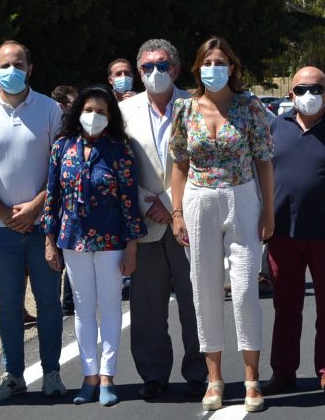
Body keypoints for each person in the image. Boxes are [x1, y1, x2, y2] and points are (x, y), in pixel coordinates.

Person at [169, 37, 275, 413]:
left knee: (246, 290)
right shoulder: (184, 109)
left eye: (221, 61)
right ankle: (214, 378)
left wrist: (268, 210)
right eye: (207, 61)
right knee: (205, 289)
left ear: (233, 66)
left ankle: (251, 378)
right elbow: (179, 165)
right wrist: (177, 212)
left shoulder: (250, 106)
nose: (214, 67)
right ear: (198, 68)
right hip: (198, 201)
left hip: (242, 197)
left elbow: (264, 161)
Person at [0, 41, 66, 400]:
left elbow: (59, 166)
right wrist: (5, 214)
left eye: (18, 63)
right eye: (5, 64)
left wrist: (38, 205)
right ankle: (13, 375)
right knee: (8, 306)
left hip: (44, 226)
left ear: (30, 68)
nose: (12, 70)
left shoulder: (51, 109)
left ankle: (52, 372)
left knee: (49, 302)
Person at [42, 85, 145, 407]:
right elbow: (52, 196)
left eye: (101, 112)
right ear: (77, 112)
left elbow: (129, 200)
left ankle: (107, 377)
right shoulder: (62, 147)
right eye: (88, 110)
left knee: (111, 308)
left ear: (110, 116)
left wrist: (131, 246)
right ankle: (88, 377)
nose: (94, 116)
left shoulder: (120, 150)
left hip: (112, 240)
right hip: (72, 239)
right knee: (83, 310)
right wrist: (49, 240)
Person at [119, 39, 206, 400]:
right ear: (138, 72)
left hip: (189, 218)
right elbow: (120, 166)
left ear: (176, 67)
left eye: (162, 64)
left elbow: (205, 161)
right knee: (147, 307)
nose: (154, 72)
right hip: (145, 222)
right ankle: (153, 374)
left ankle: (200, 373)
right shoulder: (123, 112)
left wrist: (172, 205)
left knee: (196, 302)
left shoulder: (197, 105)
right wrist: (147, 203)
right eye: (146, 67)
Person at [261, 66, 325, 396]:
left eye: (315, 89)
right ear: (290, 94)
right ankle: (283, 371)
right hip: (282, 232)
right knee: (285, 305)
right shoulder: (274, 127)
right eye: (300, 89)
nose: (307, 95)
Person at [50, 84, 79, 316]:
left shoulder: (78, 130)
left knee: (71, 251)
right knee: (57, 255)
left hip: (73, 204)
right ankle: (56, 302)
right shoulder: (54, 129)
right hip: (56, 201)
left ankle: (69, 302)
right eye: (73, 104)